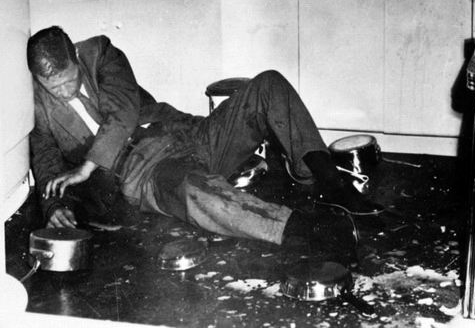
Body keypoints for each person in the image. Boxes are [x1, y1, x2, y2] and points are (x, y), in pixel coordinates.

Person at [26, 26, 382, 261]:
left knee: (268, 85)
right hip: (145, 169)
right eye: (53, 88)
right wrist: (54, 206)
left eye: (68, 81)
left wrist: (86, 166)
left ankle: (330, 184)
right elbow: (45, 163)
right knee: (197, 190)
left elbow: (123, 111)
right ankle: (308, 230)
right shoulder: (37, 107)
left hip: (187, 133)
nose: (64, 92)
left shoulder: (99, 52)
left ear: (75, 57)